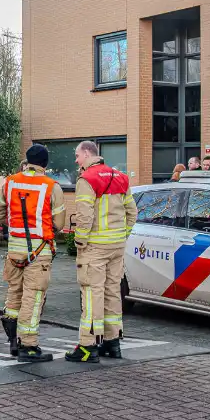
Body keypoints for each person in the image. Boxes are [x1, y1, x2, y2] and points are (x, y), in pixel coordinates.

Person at [0, 144, 66, 362]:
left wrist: (14, 226)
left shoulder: (10, 182)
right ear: (45, 163)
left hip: (14, 250)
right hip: (38, 250)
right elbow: (59, 223)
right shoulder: (52, 186)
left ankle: (13, 339)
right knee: (33, 298)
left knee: (15, 292)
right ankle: (29, 346)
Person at [67, 141, 137, 362]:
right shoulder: (121, 177)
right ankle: (112, 342)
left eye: (77, 156)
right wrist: (121, 236)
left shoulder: (87, 179)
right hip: (116, 246)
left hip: (95, 248)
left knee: (91, 293)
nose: (76, 160)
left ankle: (87, 346)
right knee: (112, 292)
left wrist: (79, 242)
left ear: (88, 153)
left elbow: (85, 217)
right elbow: (132, 213)